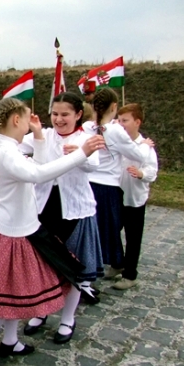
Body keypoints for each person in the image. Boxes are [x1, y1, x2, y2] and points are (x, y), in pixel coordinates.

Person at [0, 97, 105, 366]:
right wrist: (80, 153)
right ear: (16, 120)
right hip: (10, 232)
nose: (34, 122)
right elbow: (38, 174)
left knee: (13, 290)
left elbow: (36, 169)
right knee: (4, 291)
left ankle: (10, 340)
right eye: (27, 119)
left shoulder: (6, 146)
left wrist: (38, 136)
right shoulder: (6, 151)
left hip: (20, 227)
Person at [19, 91, 104, 332]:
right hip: (43, 208)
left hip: (75, 210)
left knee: (72, 267)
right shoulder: (44, 135)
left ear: (78, 114)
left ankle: (68, 319)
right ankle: (41, 311)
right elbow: (16, 145)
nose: (58, 119)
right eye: (55, 114)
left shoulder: (85, 138)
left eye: (65, 114)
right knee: (42, 265)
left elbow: (93, 165)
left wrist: (81, 154)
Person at [82, 88, 153, 278]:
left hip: (88, 183)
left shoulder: (87, 127)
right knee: (109, 229)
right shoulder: (114, 130)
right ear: (114, 107)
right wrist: (144, 145)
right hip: (107, 187)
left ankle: (108, 263)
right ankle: (103, 265)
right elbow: (138, 155)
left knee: (92, 229)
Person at [115, 103, 158, 289]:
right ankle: (117, 263)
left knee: (133, 238)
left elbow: (152, 170)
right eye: (119, 120)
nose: (120, 124)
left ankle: (130, 275)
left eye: (125, 120)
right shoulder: (117, 143)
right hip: (116, 196)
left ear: (137, 122)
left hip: (134, 199)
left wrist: (141, 174)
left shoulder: (146, 147)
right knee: (111, 232)